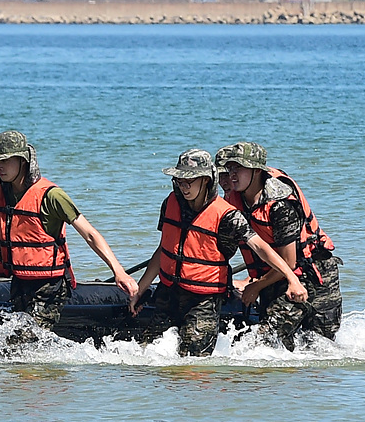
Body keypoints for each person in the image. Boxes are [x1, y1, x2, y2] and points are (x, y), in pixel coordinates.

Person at [0, 130, 138, 328]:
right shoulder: (0, 196)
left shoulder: (51, 196)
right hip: (19, 284)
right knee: (14, 344)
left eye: (6, 161)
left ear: (23, 161)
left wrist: (118, 272)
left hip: (50, 286)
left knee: (21, 343)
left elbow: (90, 234)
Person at [129, 149, 307, 357]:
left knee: (192, 366)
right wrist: (139, 290)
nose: (183, 187)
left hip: (203, 302)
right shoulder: (170, 203)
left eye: (189, 181)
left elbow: (260, 247)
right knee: (145, 354)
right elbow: (163, 251)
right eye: (179, 181)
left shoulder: (228, 216)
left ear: (205, 180)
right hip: (168, 294)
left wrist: (292, 279)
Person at [220, 141, 342, 350]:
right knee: (283, 345)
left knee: (317, 348)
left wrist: (255, 286)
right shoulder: (234, 199)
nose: (231, 175)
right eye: (229, 168)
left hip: (311, 279)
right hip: (276, 277)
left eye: (239, 168)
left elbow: (290, 261)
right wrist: (247, 281)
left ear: (257, 171)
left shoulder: (280, 204)